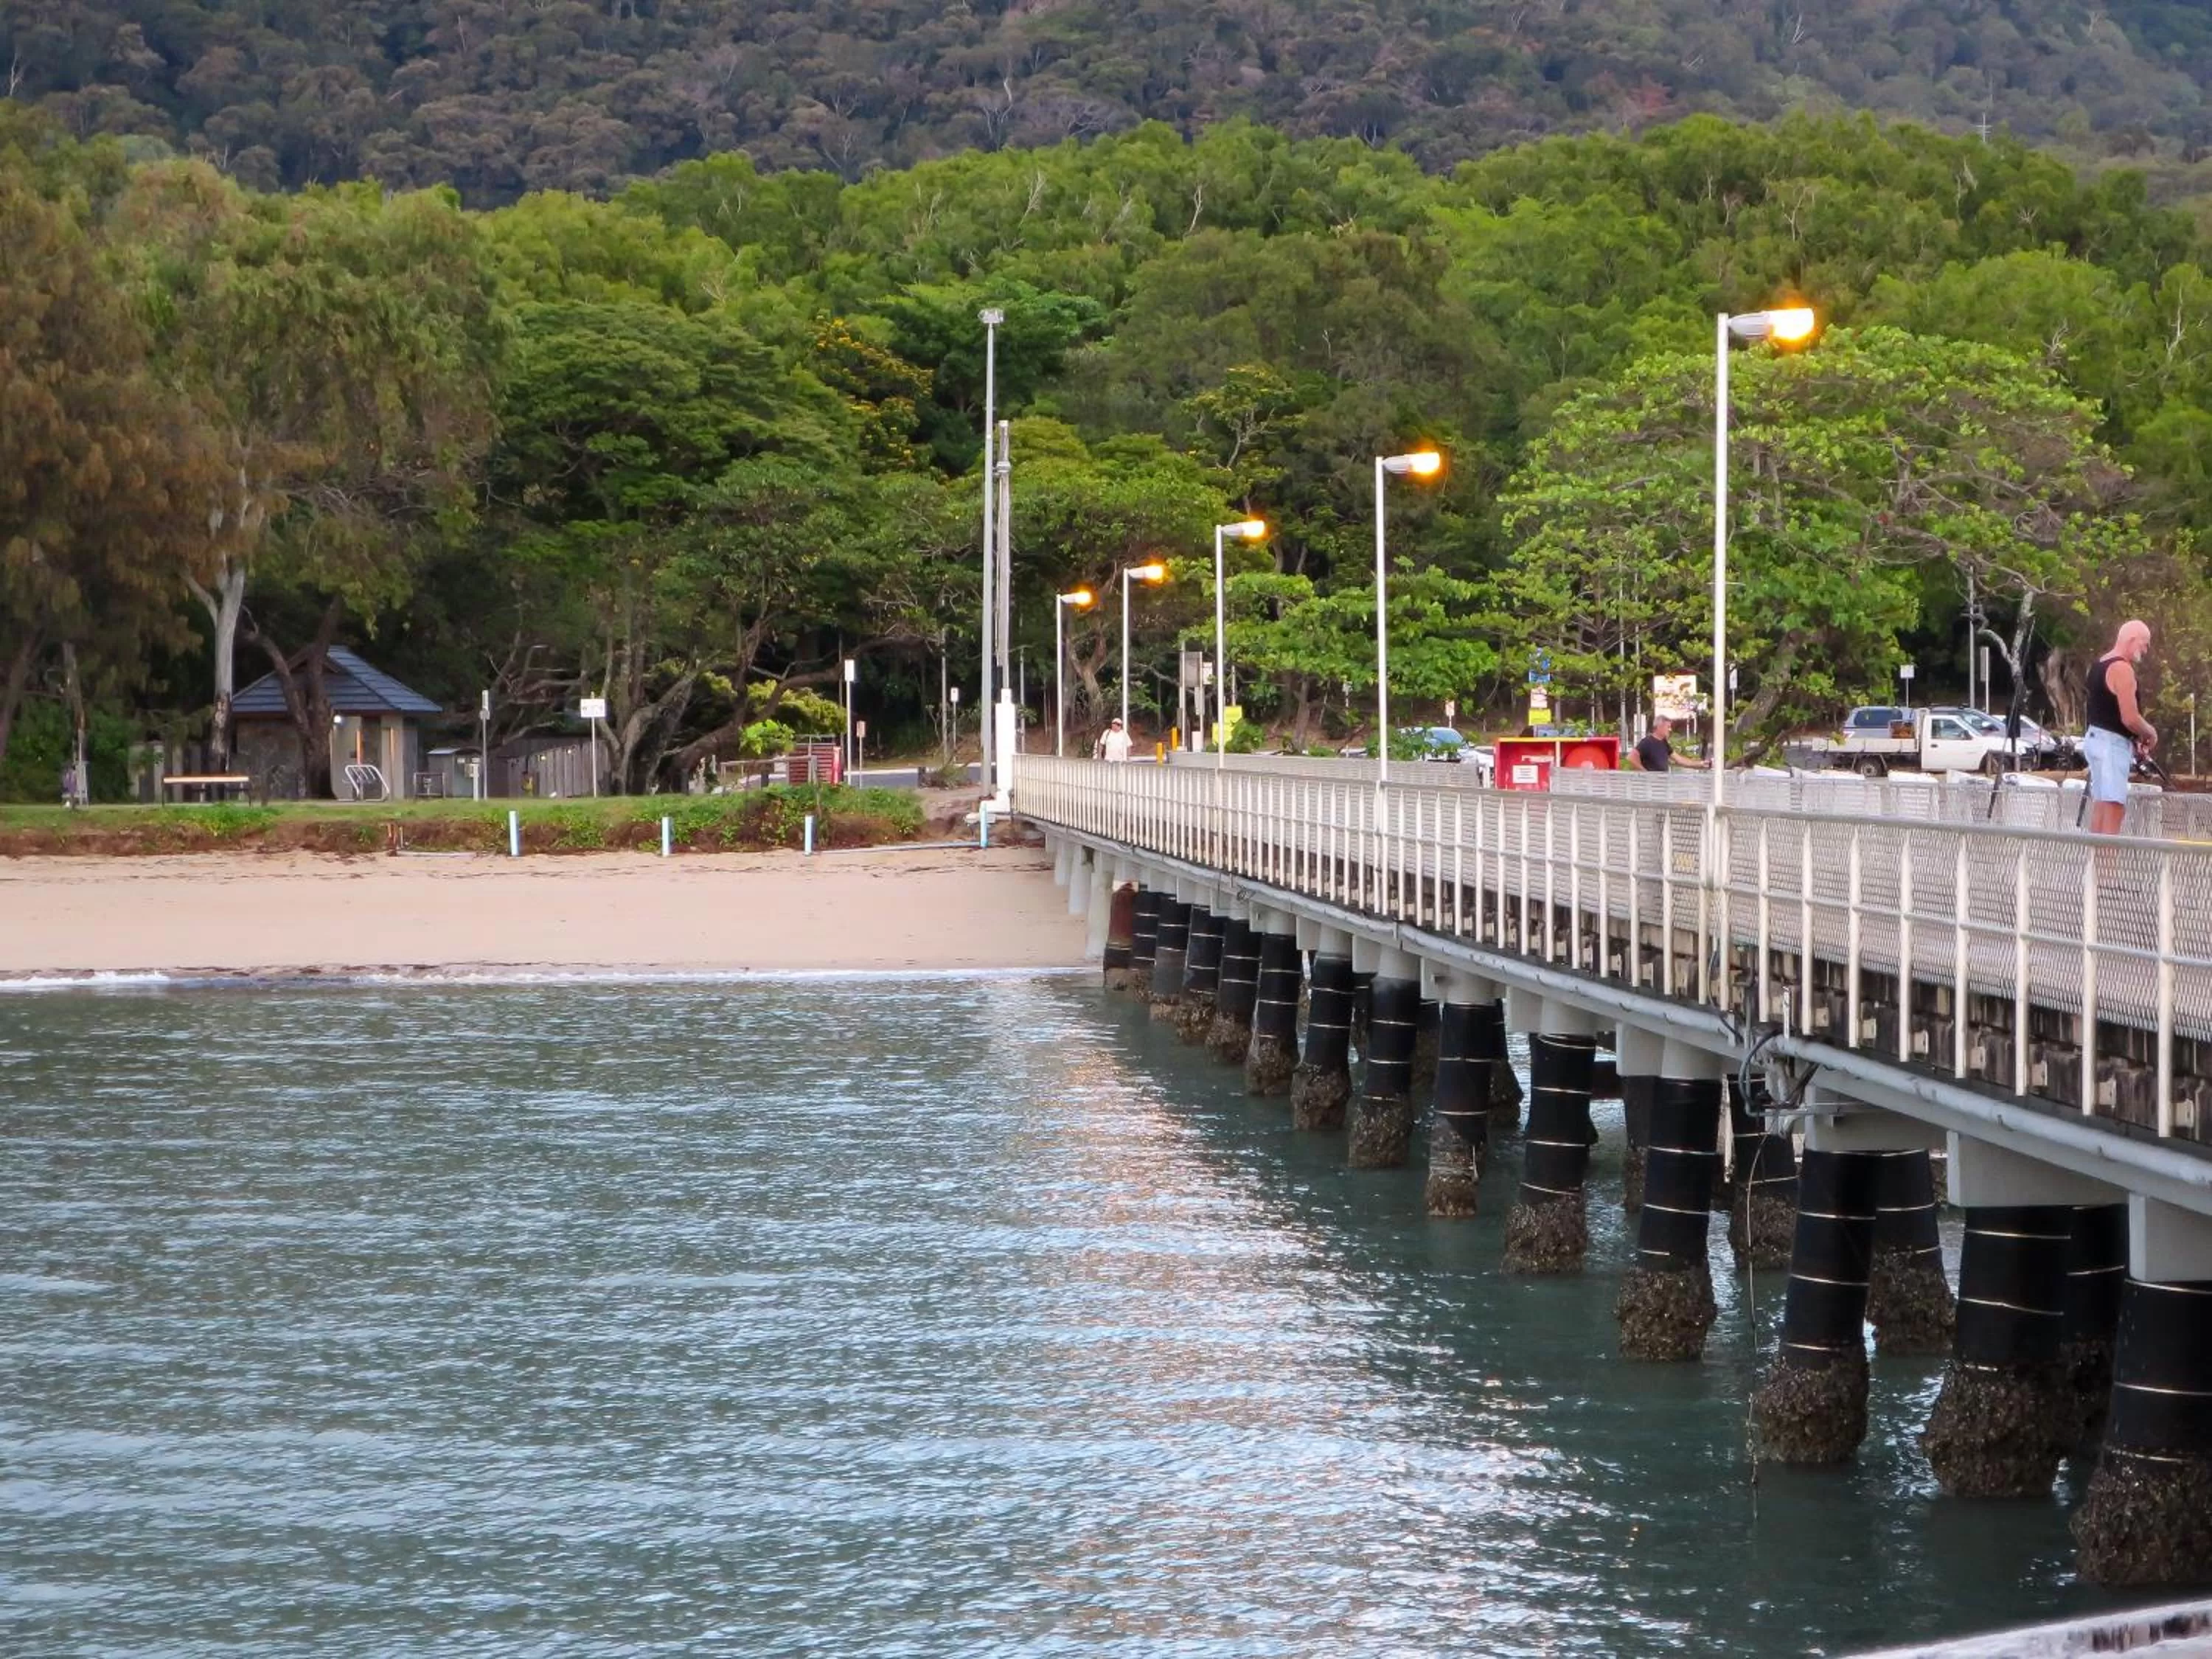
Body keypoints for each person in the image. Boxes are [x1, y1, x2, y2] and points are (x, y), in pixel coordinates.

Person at [2084, 619, 2155, 835]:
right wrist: (2150, 732)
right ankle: (2108, 868)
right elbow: (2130, 718)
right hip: (2110, 745)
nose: (2145, 650)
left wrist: (2133, 739)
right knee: (2114, 808)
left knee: (2102, 805)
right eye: (2145, 644)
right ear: (2132, 640)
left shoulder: (2099, 664)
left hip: (2095, 739)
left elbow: (2107, 712)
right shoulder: (2122, 669)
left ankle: (2095, 866)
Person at [1631, 715, 1707, 773]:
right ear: (1660, 727)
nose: (1670, 730)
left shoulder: (1664, 743)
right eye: (1668, 727)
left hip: (1662, 784)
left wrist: (1701, 764)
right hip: (1651, 787)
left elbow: (1679, 760)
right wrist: (1646, 774)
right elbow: (1632, 758)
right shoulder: (1647, 742)